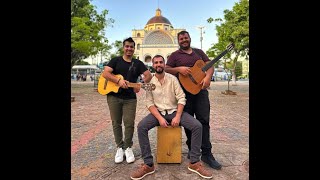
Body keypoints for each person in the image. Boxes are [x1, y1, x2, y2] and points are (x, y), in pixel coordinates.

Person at [130, 55, 213, 180]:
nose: (158, 64)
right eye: (156, 62)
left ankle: (194, 163)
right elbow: (149, 103)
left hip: (174, 112)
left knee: (197, 126)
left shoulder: (173, 79)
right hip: (158, 113)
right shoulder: (149, 82)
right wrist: (160, 118)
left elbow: (181, 98)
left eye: (161, 62)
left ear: (164, 64)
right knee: (141, 127)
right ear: (153, 65)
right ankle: (148, 164)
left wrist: (178, 116)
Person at [165, 30, 222, 170]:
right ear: (178, 41)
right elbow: (166, 69)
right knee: (189, 122)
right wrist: (179, 69)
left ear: (189, 38)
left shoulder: (199, 52)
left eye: (186, 37)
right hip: (184, 94)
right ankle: (192, 149)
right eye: (181, 38)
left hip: (201, 92)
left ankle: (207, 154)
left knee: (204, 122)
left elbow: (210, 65)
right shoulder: (174, 55)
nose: (184, 40)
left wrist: (208, 77)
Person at [102, 37, 152, 164]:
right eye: (127, 46)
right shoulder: (115, 60)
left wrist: (139, 84)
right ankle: (119, 147)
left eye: (131, 47)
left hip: (130, 99)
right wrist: (118, 81)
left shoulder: (138, 63)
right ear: (123, 48)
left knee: (129, 123)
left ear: (134, 49)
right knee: (116, 122)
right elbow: (106, 74)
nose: (129, 49)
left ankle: (128, 147)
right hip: (114, 96)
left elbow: (148, 75)